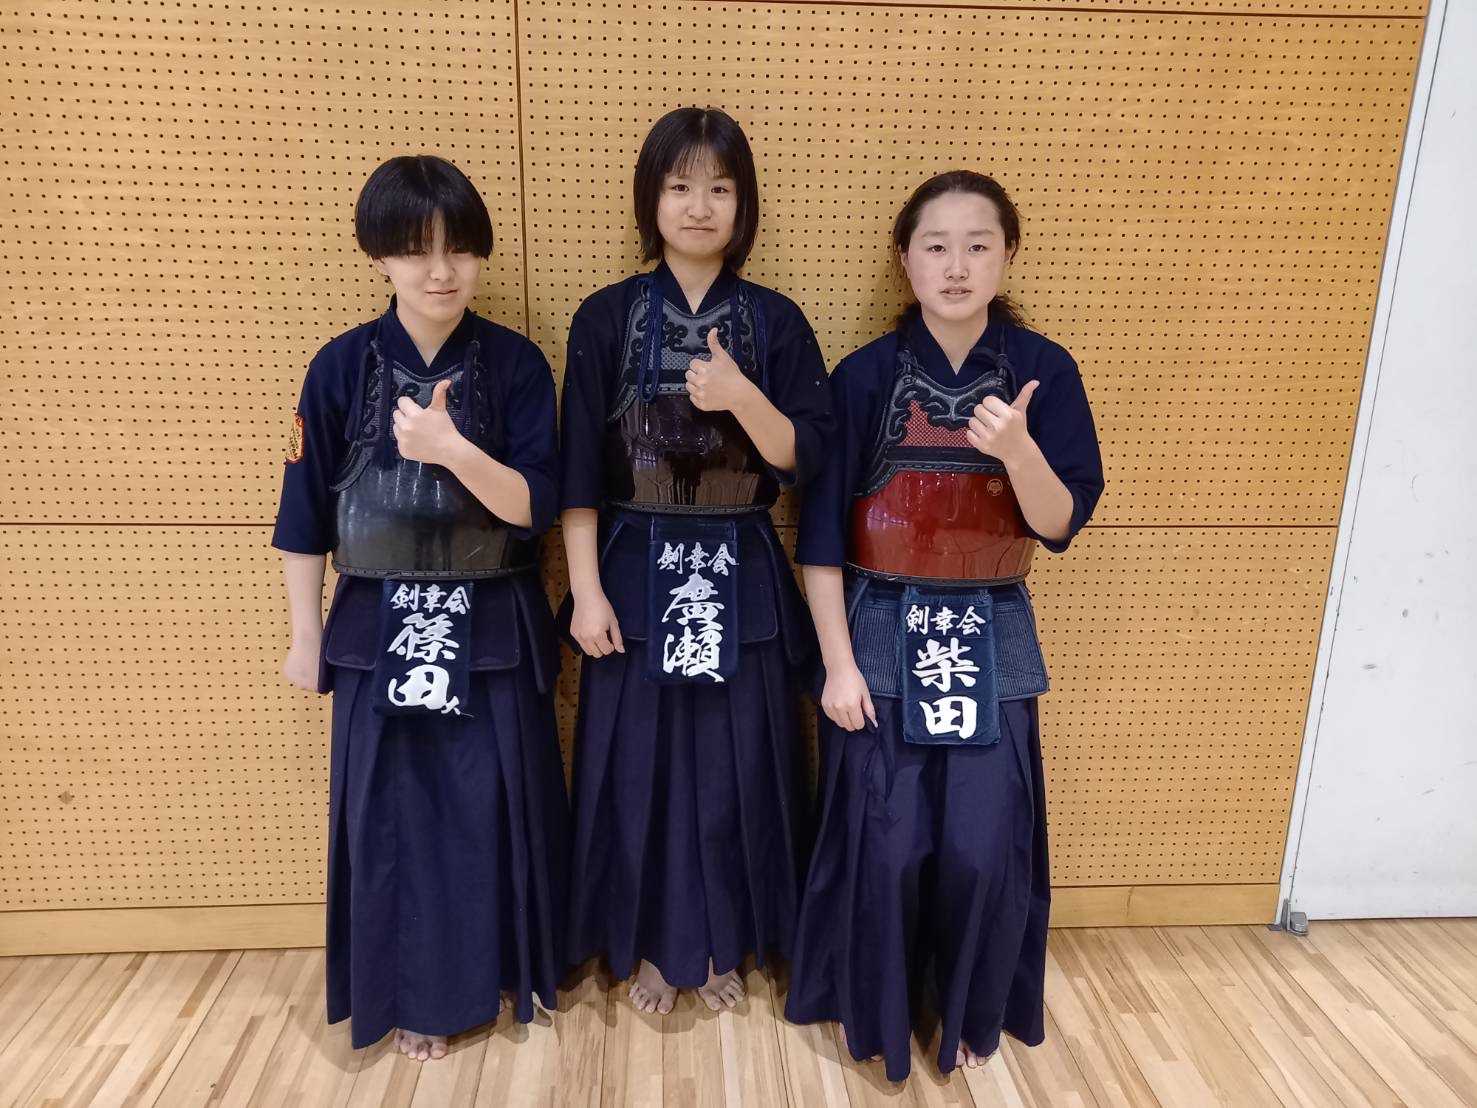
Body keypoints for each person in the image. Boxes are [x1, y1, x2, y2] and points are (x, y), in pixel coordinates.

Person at [784, 170, 1104, 1080]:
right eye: (935, 246)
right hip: (881, 625)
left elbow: (1059, 523)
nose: (956, 266)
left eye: (977, 245)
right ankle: (878, 1012)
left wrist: (1019, 451)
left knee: (977, 846)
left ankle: (965, 1008)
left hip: (992, 627)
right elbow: (818, 537)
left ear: (1007, 255)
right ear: (904, 259)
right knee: (885, 846)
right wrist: (837, 665)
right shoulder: (862, 376)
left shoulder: (1044, 371)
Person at [273, 155, 568, 1061]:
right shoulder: (338, 367)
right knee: (388, 820)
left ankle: (497, 976)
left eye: (458, 250)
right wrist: (304, 637)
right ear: (380, 257)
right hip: (375, 626)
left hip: (492, 625)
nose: (440, 271)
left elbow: (535, 507)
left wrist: (449, 449)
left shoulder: (516, 364)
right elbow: (303, 518)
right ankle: (408, 996)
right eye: (415, 250)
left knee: (490, 809)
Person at [558, 107, 834, 1015]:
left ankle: (720, 945)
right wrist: (585, 592)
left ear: (743, 204)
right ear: (651, 198)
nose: (699, 206)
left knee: (735, 769)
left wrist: (742, 395)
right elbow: (576, 472)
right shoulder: (605, 317)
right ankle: (645, 946)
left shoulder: (775, 321)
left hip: (740, 568)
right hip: (633, 570)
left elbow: (804, 458)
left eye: (719, 188)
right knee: (636, 768)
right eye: (680, 186)